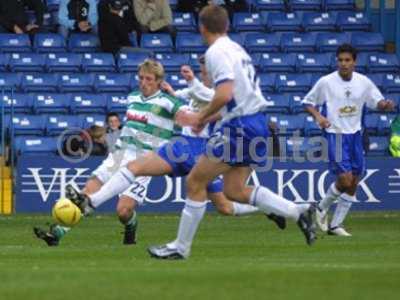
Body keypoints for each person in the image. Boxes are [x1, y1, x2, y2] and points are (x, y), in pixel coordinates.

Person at [65, 5, 316, 259]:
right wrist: (206, 113)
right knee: (234, 191)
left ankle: (177, 247)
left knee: (193, 181)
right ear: (226, 26)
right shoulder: (236, 49)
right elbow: (233, 98)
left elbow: (224, 94)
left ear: (201, 27)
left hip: (235, 128)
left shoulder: (216, 52)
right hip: (254, 123)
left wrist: (200, 117)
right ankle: (298, 211)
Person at [302, 44, 395, 236]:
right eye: (340, 60)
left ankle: (336, 225)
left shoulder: (364, 82)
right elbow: (308, 103)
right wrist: (319, 117)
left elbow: (377, 102)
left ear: (354, 62)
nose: (343, 64)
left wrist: (384, 105)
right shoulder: (326, 82)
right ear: (337, 61)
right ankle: (320, 208)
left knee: (354, 181)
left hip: (356, 135)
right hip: (335, 134)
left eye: (347, 60)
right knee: (344, 179)